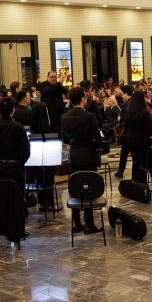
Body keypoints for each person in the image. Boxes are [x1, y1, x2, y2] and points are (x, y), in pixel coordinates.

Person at [60, 86, 103, 234]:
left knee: (75, 187)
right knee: (89, 188)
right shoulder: (90, 117)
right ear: (83, 99)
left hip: (74, 156)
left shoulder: (64, 118)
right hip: (89, 156)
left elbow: (65, 138)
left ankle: (76, 222)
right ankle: (89, 223)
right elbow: (97, 140)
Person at [0, 96, 31, 193]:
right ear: (13, 110)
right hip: (17, 167)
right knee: (18, 196)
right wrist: (21, 161)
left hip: (0, 167)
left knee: (2, 196)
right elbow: (26, 150)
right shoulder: (19, 128)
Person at [122, 90, 152, 184]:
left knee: (135, 161)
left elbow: (126, 126)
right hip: (143, 140)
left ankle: (134, 181)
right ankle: (143, 183)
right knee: (143, 162)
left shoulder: (128, 112)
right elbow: (149, 130)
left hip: (131, 139)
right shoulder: (144, 113)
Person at [114, 85, 134, 177]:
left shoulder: (125, 104)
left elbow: (122, 120)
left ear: (126, 94)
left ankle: (120, 171)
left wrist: (119, 118)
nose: (122, 96)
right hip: (135, 134)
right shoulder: (135, 103)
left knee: (124, 154)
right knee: (135, 156)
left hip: (126, 133)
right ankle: (135, 175)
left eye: (122, 94)